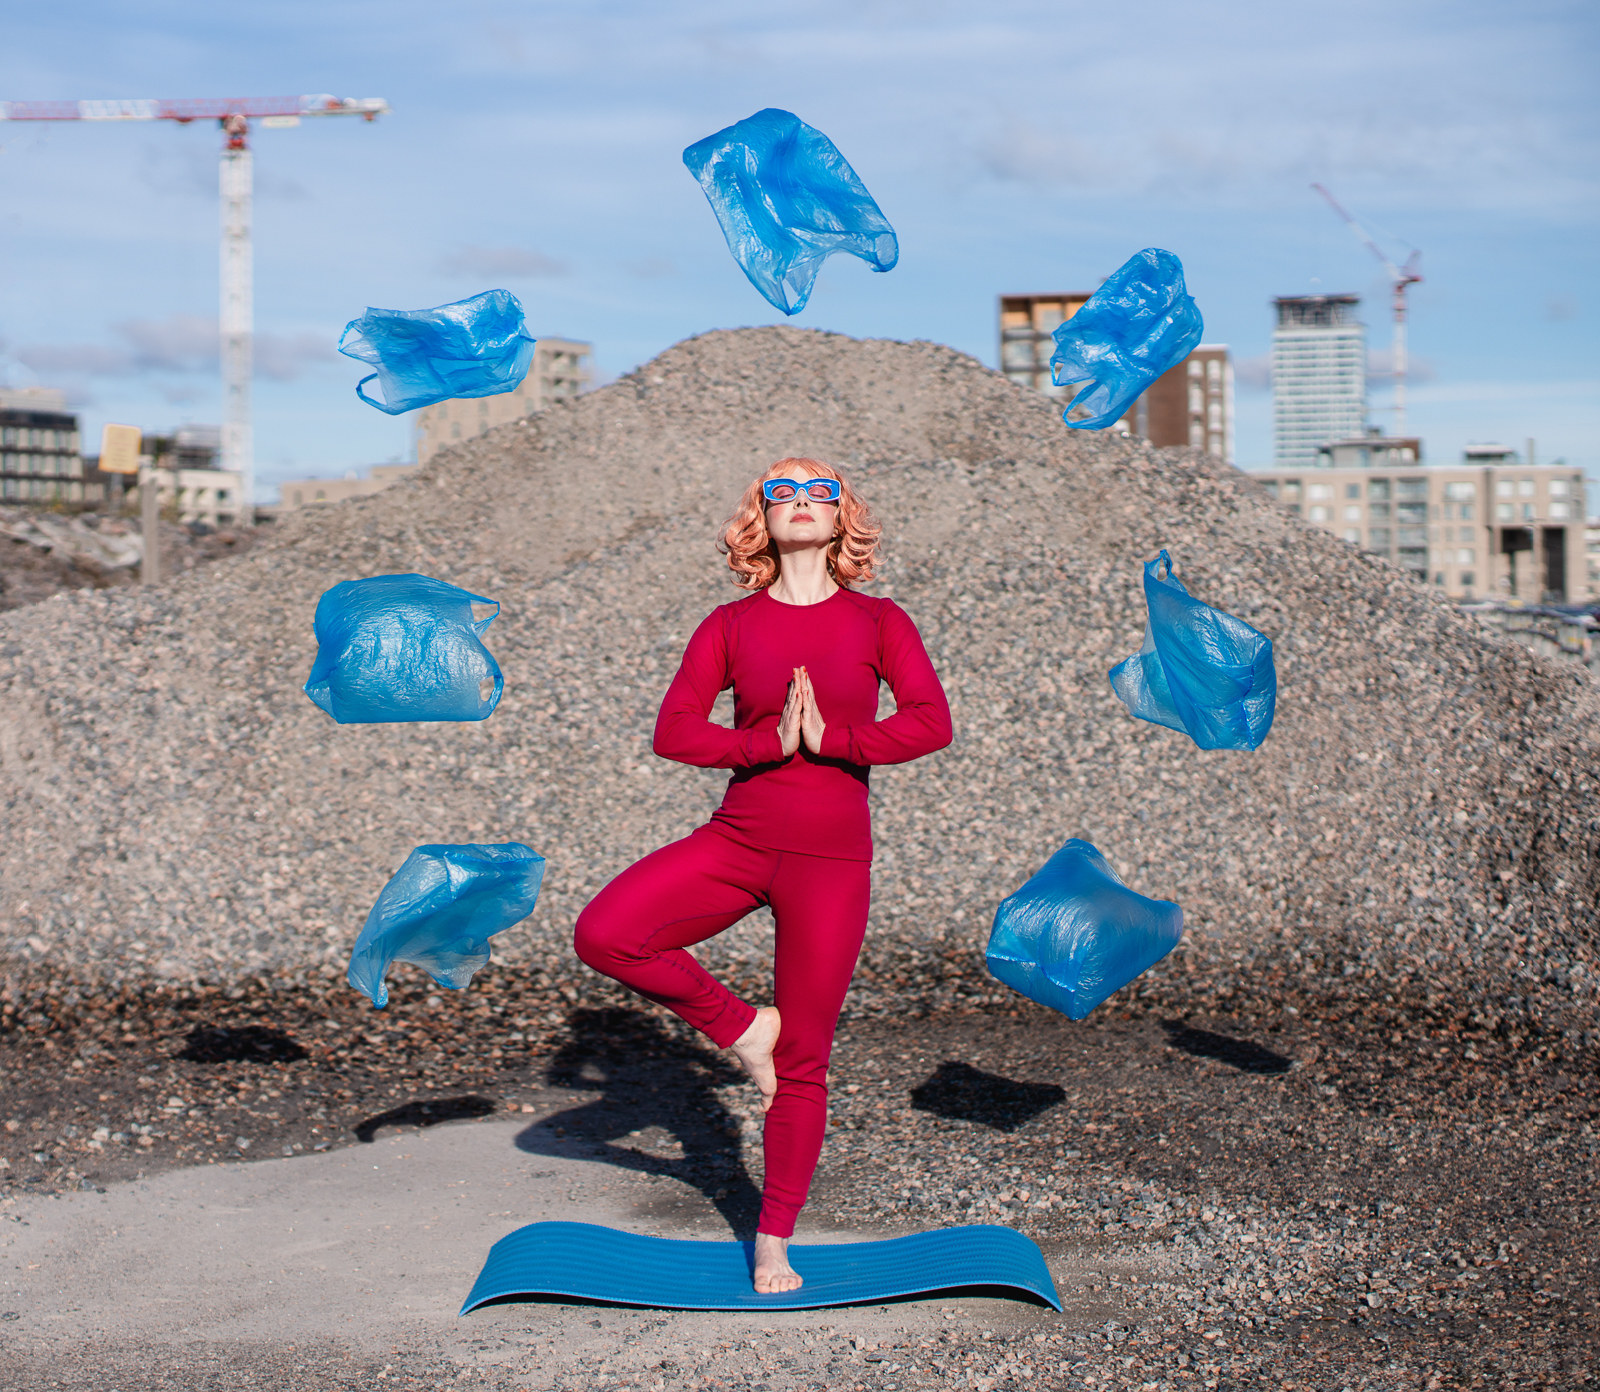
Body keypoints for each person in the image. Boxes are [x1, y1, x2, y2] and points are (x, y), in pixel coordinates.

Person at [574, 457, 953, 1293]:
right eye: (783, 492)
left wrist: (833, 741)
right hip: (740, 838)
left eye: (821, 492)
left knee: (806, 1059)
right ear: (762, 518)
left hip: (831, 861)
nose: (802, 501)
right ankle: (747, 1031)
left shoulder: (880, 621)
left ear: (842, 515)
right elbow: (675, 730)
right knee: (606, 932)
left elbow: (932, 722)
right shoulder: (729, 625)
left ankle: (773, 1238)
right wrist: (763, 745)